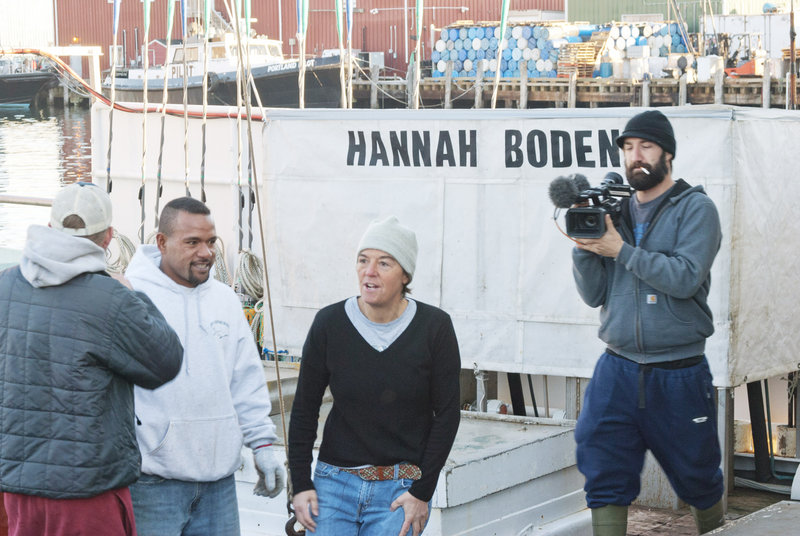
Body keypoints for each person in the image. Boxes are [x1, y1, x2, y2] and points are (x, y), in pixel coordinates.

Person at [570, 110, 725, 535]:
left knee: (698, 475)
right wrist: (585, 248)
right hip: (616, 368)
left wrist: (619, 249)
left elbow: (685, 277)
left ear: (667, 154)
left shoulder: (696, 209)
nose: (635, 156)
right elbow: (594, 295)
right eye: (627, 148)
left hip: (678, 371)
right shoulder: (613, 213)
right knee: (602, 468)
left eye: (646, 147)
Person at [0, 182, 183, 536]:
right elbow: (165, 361)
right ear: (108, 237)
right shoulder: (113, 298)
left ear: (50, 228)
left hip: (17, 484)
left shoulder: (5, 284)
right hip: (86, 488)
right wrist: (134, 295)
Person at [288, 216, 461, 536]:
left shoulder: (434, 327)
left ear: (405, 274)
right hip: (333, 485)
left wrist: (421, 492)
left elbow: (448, 414)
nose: (369, 271)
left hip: (401, 490)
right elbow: (304, 409)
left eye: (384, 263)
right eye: (363, 260)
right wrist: (300, 485)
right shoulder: (329, 324)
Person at [124, 196, 284, 535]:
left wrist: (264, 446)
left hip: (219, 486)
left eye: (211, 241)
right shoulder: (132, 295)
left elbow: (246, 381)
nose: (206, 252)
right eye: (193, 242)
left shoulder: (225, 299)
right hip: (151, 485)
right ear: (162, 243)